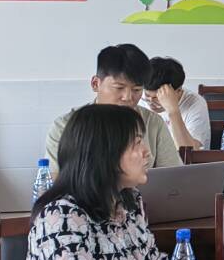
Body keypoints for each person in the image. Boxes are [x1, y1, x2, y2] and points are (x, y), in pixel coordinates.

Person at [20, 104, 215, 260]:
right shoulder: (60, 215)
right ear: (105, 153)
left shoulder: (130, 201)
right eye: (137, 143)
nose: (147, 152)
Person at [46, 44, 181, 175]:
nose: (128, 97)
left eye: (136, 90)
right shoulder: (65, 126)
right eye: (119, 88)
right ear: (95, 84)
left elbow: (173, 178)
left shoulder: (153, 123)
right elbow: (55, 183)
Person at [142, 57, 211, 150]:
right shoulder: (140, 98)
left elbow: (190, 152)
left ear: (178, 91)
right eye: (147, 95)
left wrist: (173, 111)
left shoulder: (195, 103)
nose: (150, 102)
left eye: (158, 97)